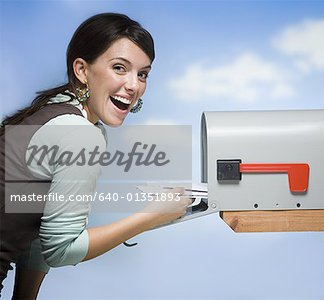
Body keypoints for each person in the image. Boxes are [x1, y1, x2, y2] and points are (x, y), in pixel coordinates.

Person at [0, 13, 191, 298]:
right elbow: (62, 249)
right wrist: (150, 217)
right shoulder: (80, 134)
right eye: (119, 68)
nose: (134, 85)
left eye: (142, 74)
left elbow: (44, 228)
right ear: (82, 70)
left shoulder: (58, 111)